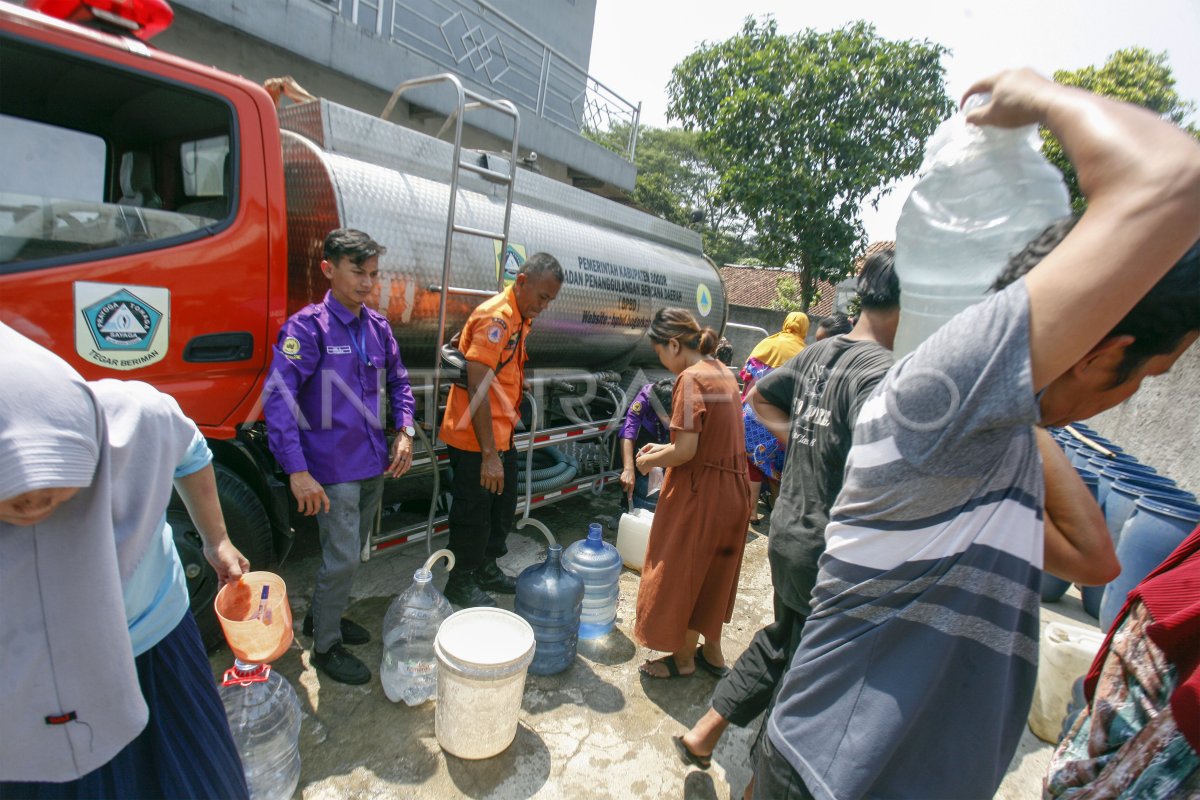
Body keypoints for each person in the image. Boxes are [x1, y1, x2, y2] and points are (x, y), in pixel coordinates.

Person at [756, 68, 1200, 800]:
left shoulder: (995, 445)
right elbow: (1173, 179)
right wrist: (1042, 98)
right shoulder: (932, 399)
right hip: (831, 778)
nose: (1129, 396)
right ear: (1104, 352)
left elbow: (1094, 557)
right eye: (1147, 376)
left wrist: (1027, 409)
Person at [0, 323, 251, 799]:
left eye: (56, 472)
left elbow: (192, 452)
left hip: (153, 641)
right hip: (28, 675)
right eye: (9, 485)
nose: (32, 502)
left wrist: (216, 539)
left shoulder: (135, 417)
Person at [674, 248, 899, 775]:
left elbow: (760, 397)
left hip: (788, 534)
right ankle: (763, 778)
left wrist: (799, 439)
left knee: (784, 639)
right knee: (810, 668)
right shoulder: (883, 376)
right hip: (832, 550)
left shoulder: (820, 354)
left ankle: (705, 733)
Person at [264, 228, 417, 686]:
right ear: (328, 269)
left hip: (372, 464)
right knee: (342, 558)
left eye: (373, 273)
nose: (368, 283)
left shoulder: (378, 328)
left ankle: (319, 619)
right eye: (358, 272)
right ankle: (325, 645)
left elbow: (401, 384)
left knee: (351, 553)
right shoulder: (307, 329)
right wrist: (296, 471)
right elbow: (278, 401)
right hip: (332, 472)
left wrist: (405, 431)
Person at [439, 253, 564, 608]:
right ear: (521, 282)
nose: (544, 306)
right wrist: (489, 455)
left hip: (500, 434)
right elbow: (477, 384)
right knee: (473, 513)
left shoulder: (520, 316)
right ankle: (460, 581)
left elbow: (500, 372)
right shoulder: (499, 317)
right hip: (475, 440)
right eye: (541, 297)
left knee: (501, 508)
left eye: (550, 300)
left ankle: (486, 568)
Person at [633, 308, 751, 679]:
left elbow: (685, 451)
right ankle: (711, 653)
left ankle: (683, 659)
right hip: (734, 488)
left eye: (659, 354)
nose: (662, 363)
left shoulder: (690, 378)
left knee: (682, 571)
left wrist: (649, 461)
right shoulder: (722, 372)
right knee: (715, 574)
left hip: (704, 493)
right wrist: (660, 449)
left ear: (672, 343)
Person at [1045, 523, 1200, 798]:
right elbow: (1095, 561)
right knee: (1100, 781)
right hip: (1174, 622)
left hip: (1173, 606)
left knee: (1088, 770)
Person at [741, 312, 809, 522]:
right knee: (779, 464)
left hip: (752, 413)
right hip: (780, 417)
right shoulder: (805, 353)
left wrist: (744, 406)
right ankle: (777, 511)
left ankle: (751, 512)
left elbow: (746, 378)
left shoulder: (765, 344)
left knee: (752, 462)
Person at [617, 377, 674, 518]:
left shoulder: (686, 400)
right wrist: (628, 469)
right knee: (636, 460)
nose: (669, 420)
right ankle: (626, 507)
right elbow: (629, 428)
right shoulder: (645, 397)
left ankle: (663, 511)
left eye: (672, 415)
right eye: (666, 416)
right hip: (650, 433)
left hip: (675, 436)